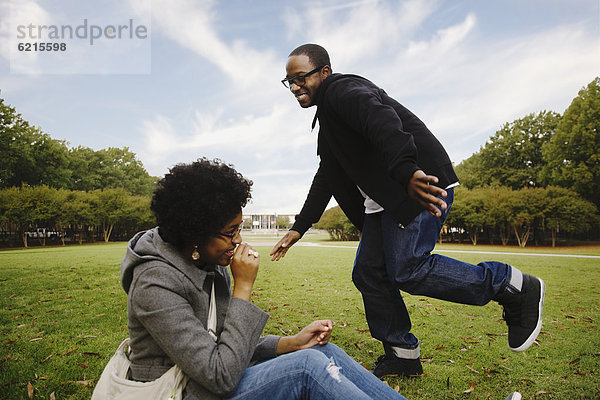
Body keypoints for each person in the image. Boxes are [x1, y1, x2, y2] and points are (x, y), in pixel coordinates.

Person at [270, 44, 545, 378]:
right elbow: (327, 175)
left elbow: (381, 119)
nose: (296, 86)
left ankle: (512, 285)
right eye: (290, 82)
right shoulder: (328, 120)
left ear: (324, 72)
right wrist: (299, 227)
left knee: (408, 268)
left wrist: (407, 170)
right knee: (369, 273)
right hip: (387, 199)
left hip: (419, 183)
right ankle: (403, 354)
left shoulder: (342, 90)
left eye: (301, 77)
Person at [120, 158, 407, 400]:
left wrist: (290, 343)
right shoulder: (153, 283)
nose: (238, 240)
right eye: (230, 232)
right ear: (195, 234)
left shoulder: (208, 258)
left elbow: (226, 341)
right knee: (306, 367)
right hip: (178, 392)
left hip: (208, 379)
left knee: (322, 349)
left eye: (239, 228)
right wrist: (243, 288)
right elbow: (220, 375)